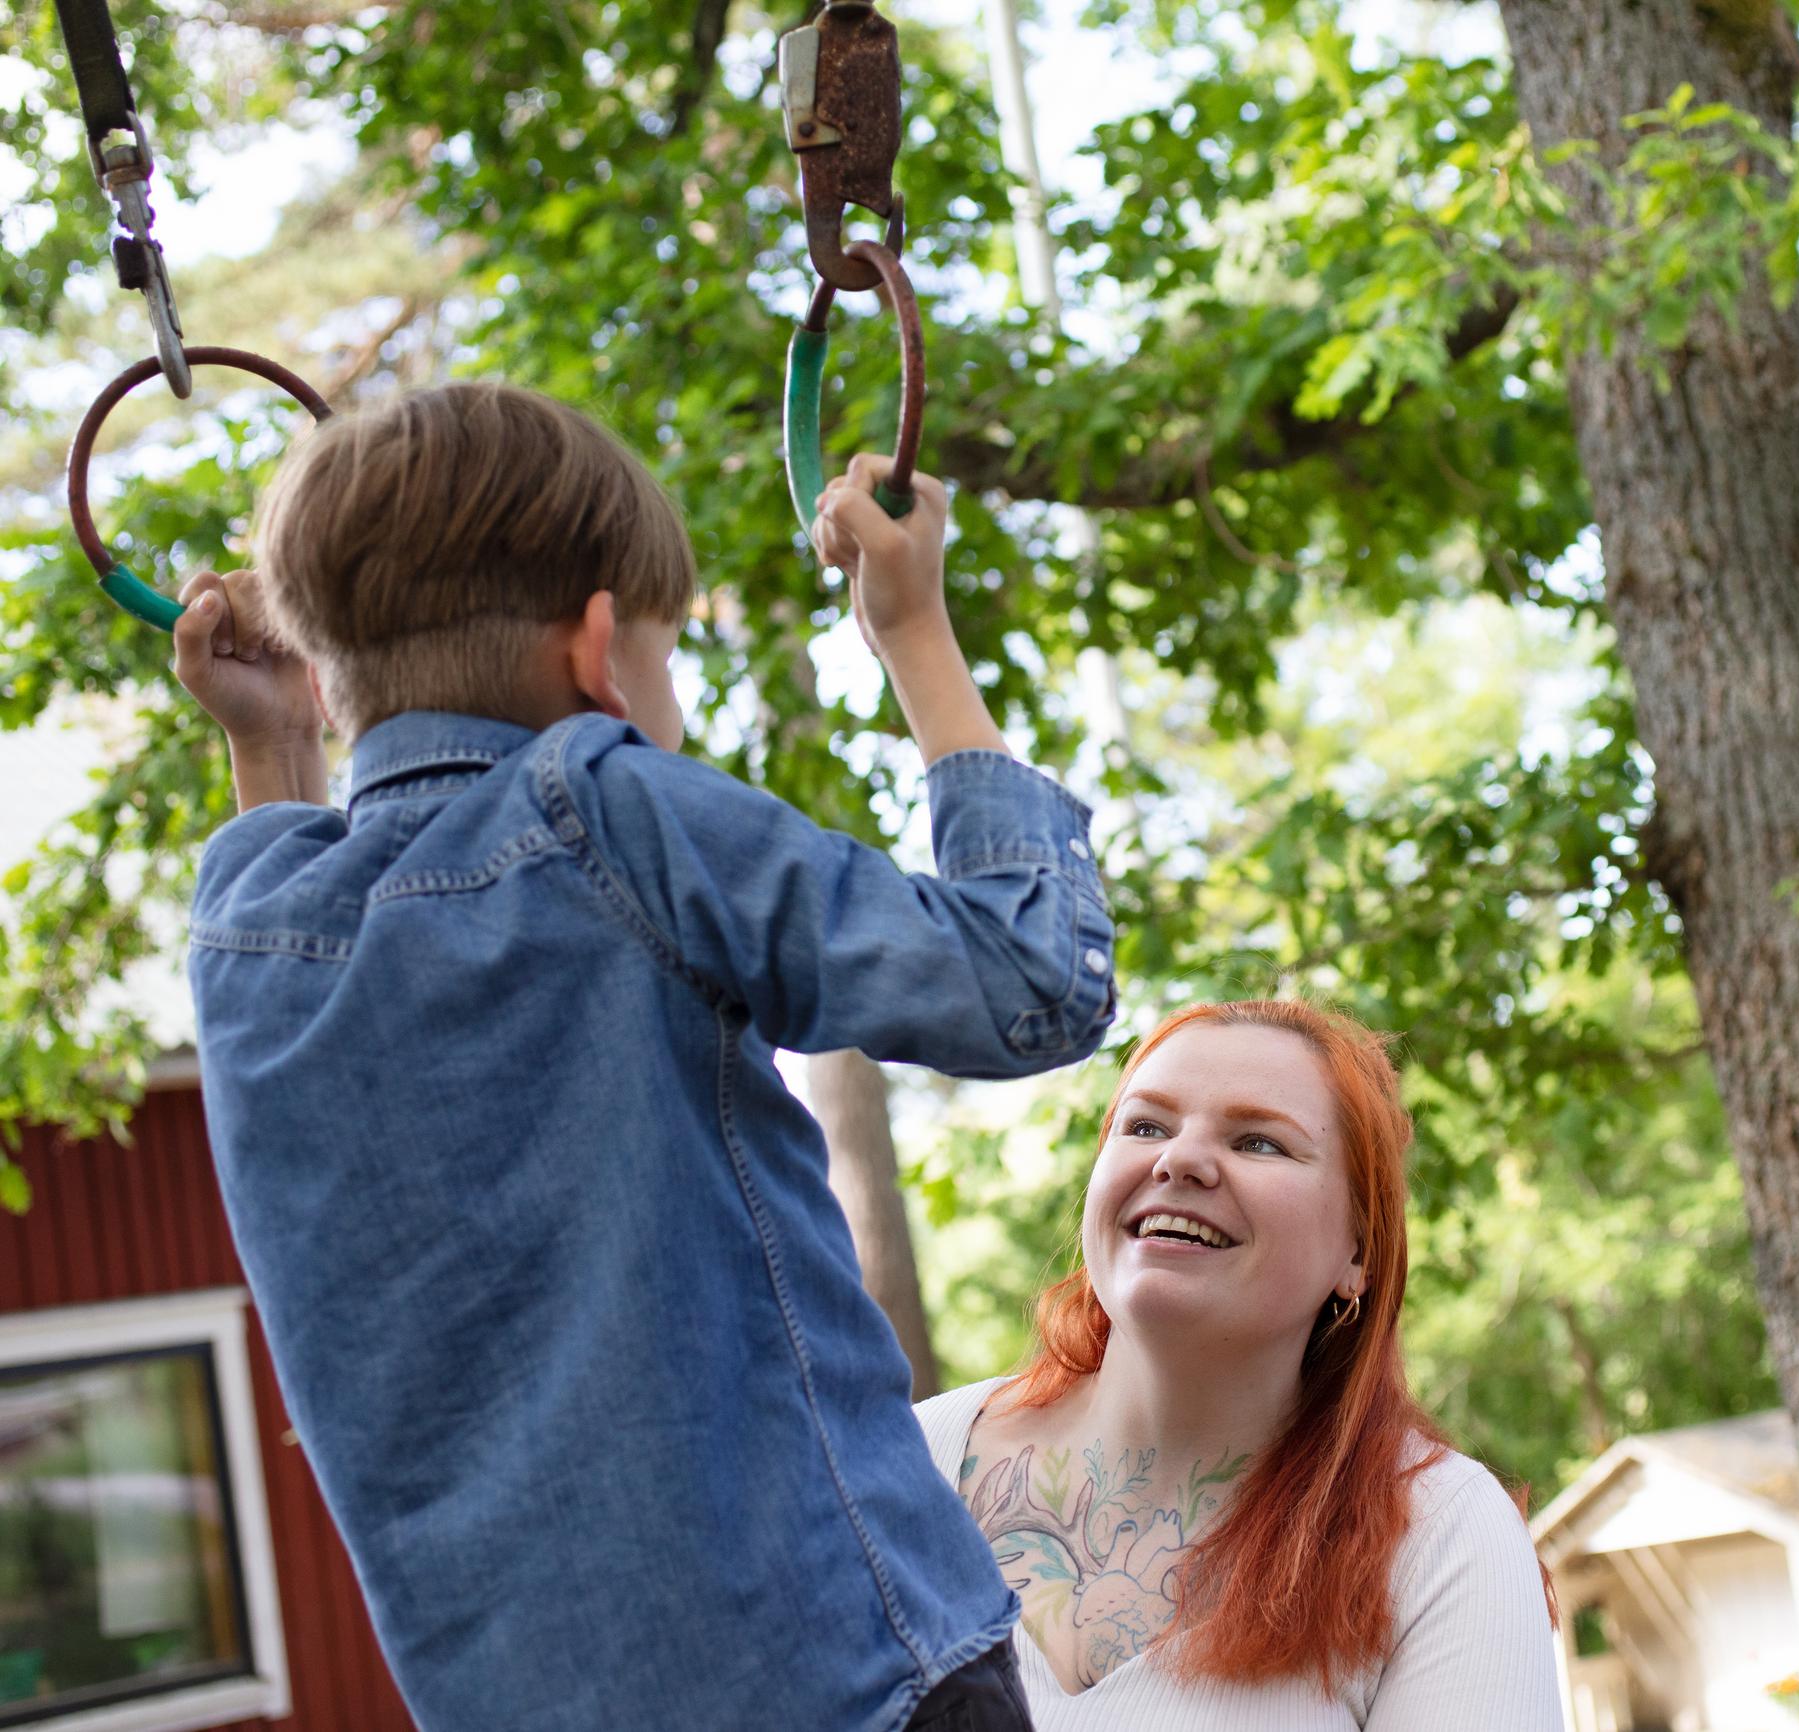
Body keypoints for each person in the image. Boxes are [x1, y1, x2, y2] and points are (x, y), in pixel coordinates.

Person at [171, 380, 1110, 1732]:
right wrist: (912, 631)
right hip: (842, 1680)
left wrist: (275, 740)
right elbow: (1030, 985)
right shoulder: (599, 804)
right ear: (602, 656)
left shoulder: (250, 921)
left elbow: (311, 909)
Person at [914, 1000, 1566, 1729]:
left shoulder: (1443, 1538)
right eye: (1145, 1126)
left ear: (1358, 1252)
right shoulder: (903, 1465)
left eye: (1258, 1143)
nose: (1178, 1159)